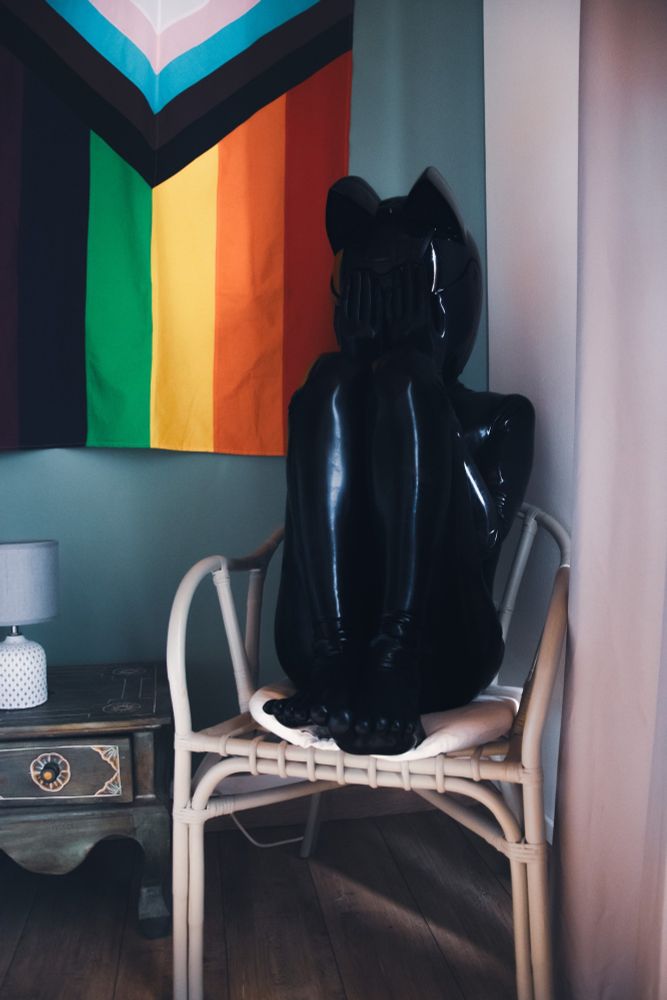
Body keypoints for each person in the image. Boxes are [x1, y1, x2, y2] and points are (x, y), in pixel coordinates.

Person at [265, 167, 534, 755]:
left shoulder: (505, 415)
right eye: (371, 298)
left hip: (442, 650)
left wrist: (421, 383)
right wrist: (361, 376)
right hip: (322, 655)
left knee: (402, 382)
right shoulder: (332, 399)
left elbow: (481, 539)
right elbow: (311, 513)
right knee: (328, 378)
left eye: (403, 298)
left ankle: (394, 655)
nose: (386, 319)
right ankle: (338, 657)